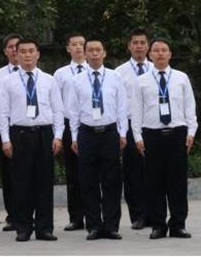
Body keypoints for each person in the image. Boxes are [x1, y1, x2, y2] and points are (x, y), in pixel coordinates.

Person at [0, 37, 63, 243]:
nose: (27, 55)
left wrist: (58, 136)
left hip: (44, 134)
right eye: (23, 51)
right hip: (20, 135)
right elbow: (2, 113)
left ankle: (44, 228)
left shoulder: (49, 80)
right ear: (16, 55)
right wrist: (5, 139)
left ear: (38, 54)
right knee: (21, 183)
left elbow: (58, 110)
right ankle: (23, 227)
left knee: (44, 183)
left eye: (31, 51)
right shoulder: (8, 81)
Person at [132, 37, 198, 240]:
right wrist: (137, 136)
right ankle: (158, 225)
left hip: (177, 134)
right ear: (150, 55)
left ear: (170, 54)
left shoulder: (181, 78)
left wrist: (191, 132)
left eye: (164, 50)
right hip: (152, 135)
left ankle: (178, 224)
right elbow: (136, 110)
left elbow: (190, 107)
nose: (160, 53)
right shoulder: (141, 81)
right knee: (154, 182)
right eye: (156, 50)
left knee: (177, 182)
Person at [69, 39, 128, 240]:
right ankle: (93, 225)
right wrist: (74, 136)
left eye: (98, 50)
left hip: (109, 133)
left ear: (104, 53)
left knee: (112, 181)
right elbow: (73, 111)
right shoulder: (77, 80)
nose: (94, 53)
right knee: (88, 182)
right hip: (87, 134)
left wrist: (122, 133)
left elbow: (122, 107)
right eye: (90, 50)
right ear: (85, 54)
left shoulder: (115, 77)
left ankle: (111, 226)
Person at [115, 28, 150, 229]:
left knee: (153, 171)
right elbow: (117, 104)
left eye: (142, 42)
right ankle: (138, 215)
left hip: (151, 125)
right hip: (128, 126)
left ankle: (155, 213)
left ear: (148, 46)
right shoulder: (119, 73)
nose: (139, 46)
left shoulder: (155, 69)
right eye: (135, 43)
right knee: (132, 173)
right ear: (129, 46)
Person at [52, 33, 88, 231]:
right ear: (68, 48)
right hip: (68, 125)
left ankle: (95, 216)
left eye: (82, 44)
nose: (78, 48)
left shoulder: (94, 70)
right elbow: (56, 104)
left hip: (90, 124)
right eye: (74, 44)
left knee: (93, 173)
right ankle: (76, 217)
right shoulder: (61, 74)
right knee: (73, 174)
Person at [0, 33, 21, 231]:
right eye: (10, 47)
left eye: (18, 46)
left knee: (28, 174)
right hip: (5, 129)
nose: (15, 50)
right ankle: (13, 216)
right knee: (9, 176)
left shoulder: (36, 74)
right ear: (5, 51)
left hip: (27, 128)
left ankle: (30, 214)